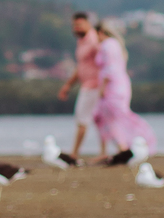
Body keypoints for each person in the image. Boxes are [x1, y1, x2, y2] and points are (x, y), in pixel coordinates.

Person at [92, 20, 157, 157]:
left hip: (112, 87)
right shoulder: (116, 44)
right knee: (109, 117)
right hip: (121, 85)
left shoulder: (107, 45)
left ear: (100, 32)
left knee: (115, 117)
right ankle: (122, 148)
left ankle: (143, 141)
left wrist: (103, 87)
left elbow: (109, 69)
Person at [57, 11, 102, 158]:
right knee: (98, 119)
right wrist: (68, 85)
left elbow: (105, 61)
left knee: (83, 118)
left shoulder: (95, 41)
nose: (76, 28)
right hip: (87, 85)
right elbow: (81, 67)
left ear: (89, 24)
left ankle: (75, 154)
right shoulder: (81, 42)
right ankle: (106, 152)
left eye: (79, 25)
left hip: (95, 86)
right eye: (74, 25)